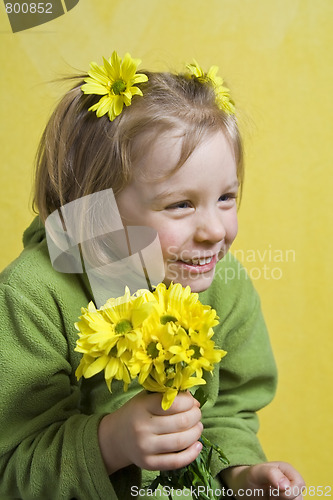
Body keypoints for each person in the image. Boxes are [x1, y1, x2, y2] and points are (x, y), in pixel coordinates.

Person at [0, 51, 305, 499]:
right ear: (95, 208)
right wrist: (110, 443)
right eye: (181, 204)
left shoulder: (224, 280)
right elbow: (10, 469)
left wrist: (239, 473)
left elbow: (229, 409)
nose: (216, 231)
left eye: (226, 197)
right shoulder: (32, 297)